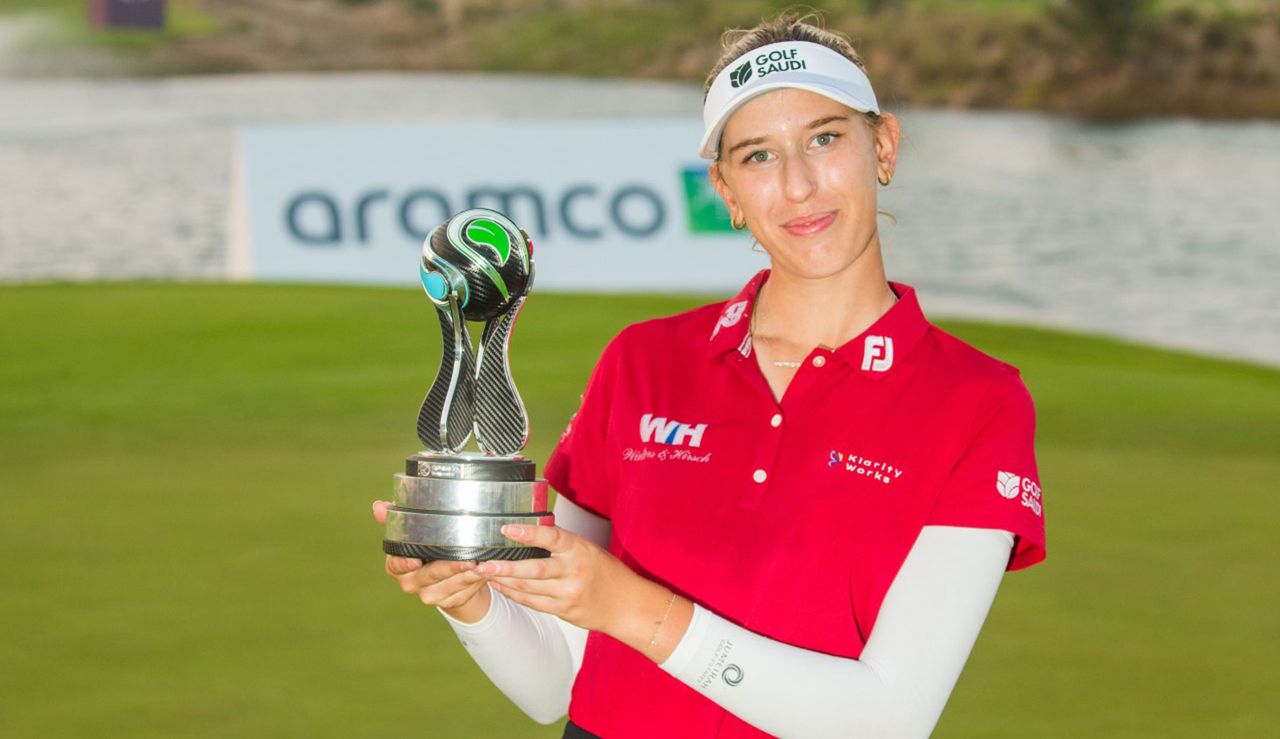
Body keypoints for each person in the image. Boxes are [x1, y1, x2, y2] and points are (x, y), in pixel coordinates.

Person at [372, 13, 1046, 739]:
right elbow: (556, 684)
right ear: (725, 190)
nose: (797, 185)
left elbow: (887, 721)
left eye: (825, 138)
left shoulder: (977, 401)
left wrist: (634, 609)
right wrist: (469, 599)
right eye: (758, 157)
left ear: (882, 146)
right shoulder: (642, 362)